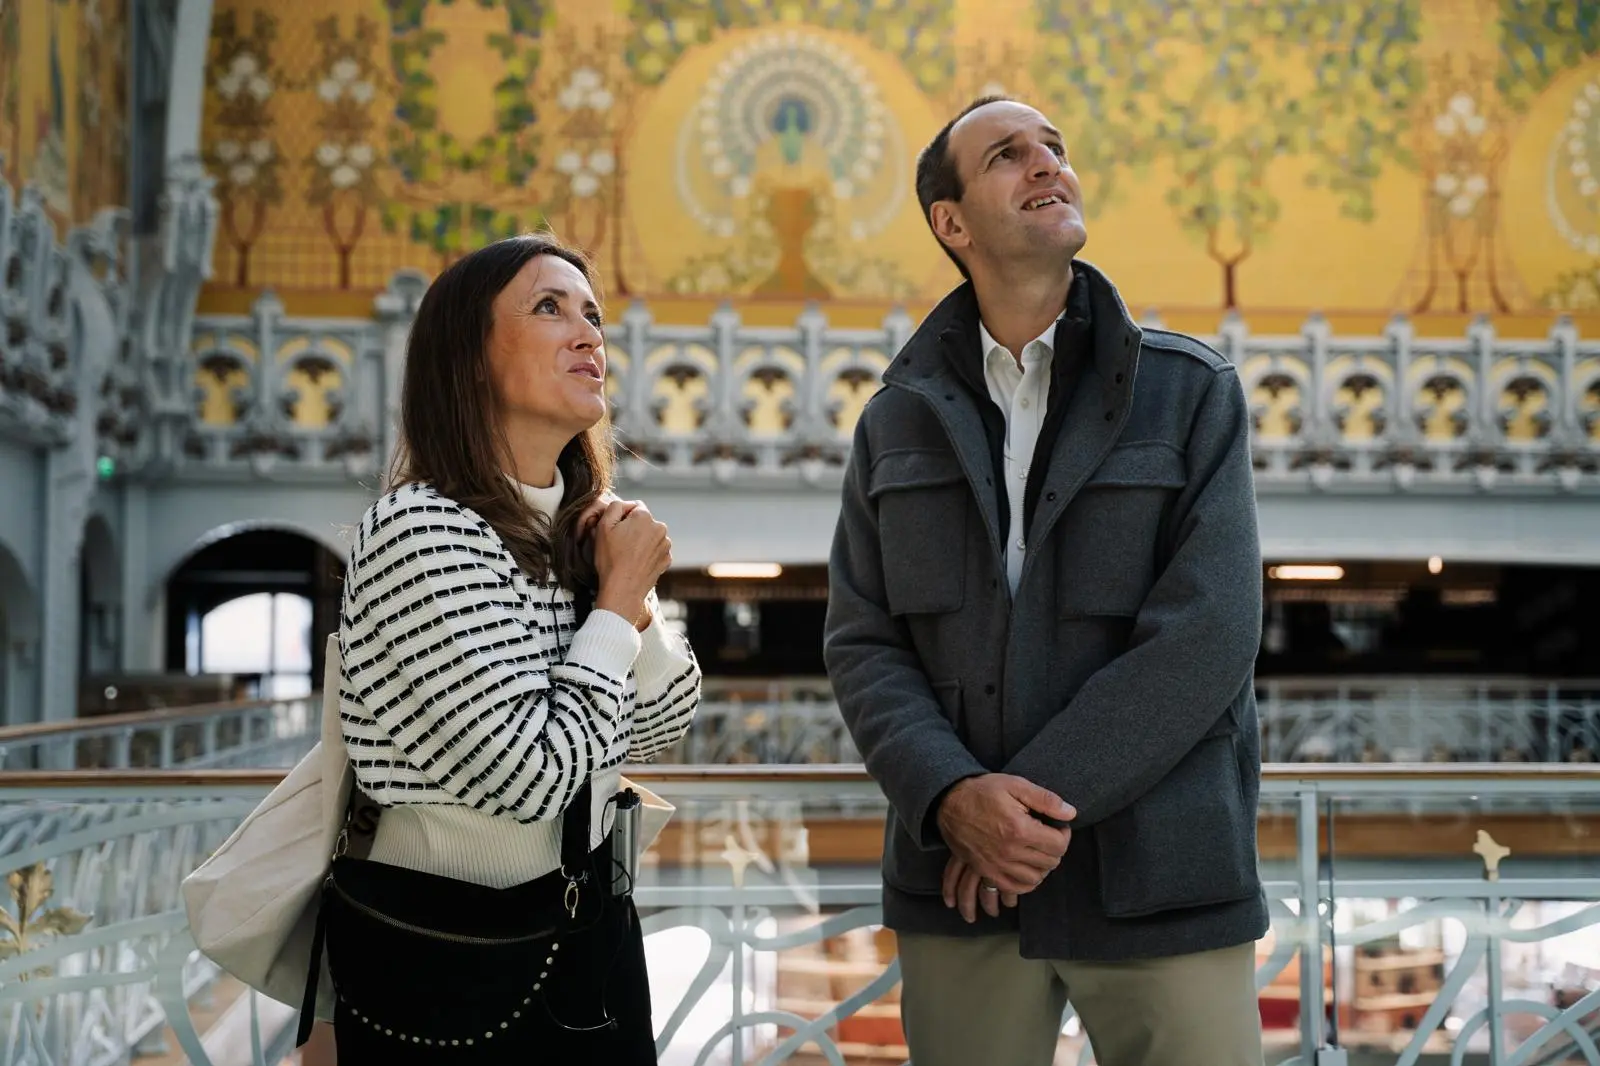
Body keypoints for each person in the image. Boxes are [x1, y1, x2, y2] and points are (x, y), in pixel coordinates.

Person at [823, 97, 1267, 1066]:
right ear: (951, 222)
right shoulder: (893, 421)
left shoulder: (1191, 392)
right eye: (1007, 156)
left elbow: (1211, 631)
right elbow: (863, 641)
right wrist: (950, 799)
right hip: (961, 890)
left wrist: (1019, 815)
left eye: (1056, 149)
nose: (1045, 166)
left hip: (1160, 883)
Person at [329, 234, 701, 1064]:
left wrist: (626, 599)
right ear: (469, 359)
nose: (589, 333)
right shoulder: (421, 529)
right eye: (548, 308)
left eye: (593, 314)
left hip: (589, 924)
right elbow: (527, 777)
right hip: (451, 953)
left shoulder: (580, 525)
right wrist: (615, 602)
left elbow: (665, 721)